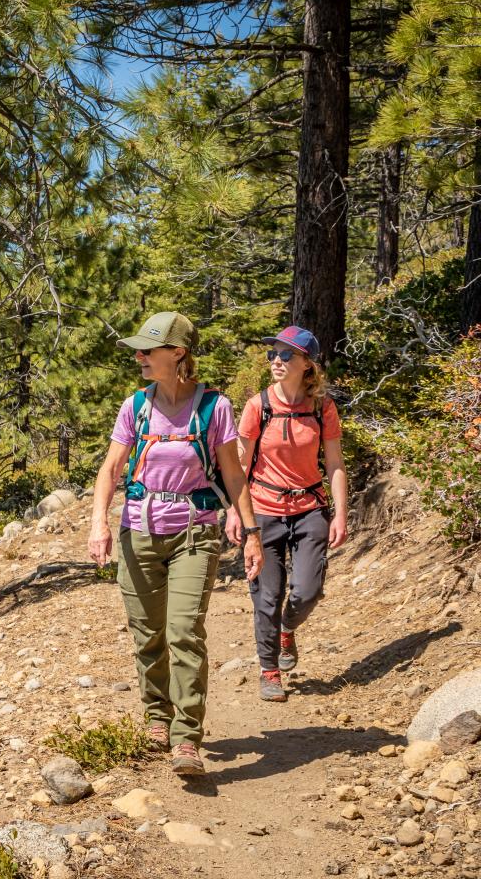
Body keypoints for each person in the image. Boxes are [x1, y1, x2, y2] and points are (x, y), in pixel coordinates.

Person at [89, 311, 264, 777]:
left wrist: (251, 533)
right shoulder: (135, 407)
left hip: (195, 530)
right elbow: (110, 470)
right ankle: (156, 716)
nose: (141, 357)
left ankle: (186, 738)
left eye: (149, 350)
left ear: (178, 352)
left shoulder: (214, 407)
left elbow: (231, 472)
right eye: (140, 350)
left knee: (183, 631)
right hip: (137, 532)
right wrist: (99, 524)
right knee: (148, 635)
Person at [226, 325, 347, 703]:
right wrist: (236, 514)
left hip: (310, 507)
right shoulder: (257, 406)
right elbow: (239, 465)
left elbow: (335, 463)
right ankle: (270, 670)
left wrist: (340, 513)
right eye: (272, 354)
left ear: (306, 365)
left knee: (308, 591)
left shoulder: (321, 407)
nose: (276, 361)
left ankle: (287, 628)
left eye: (285, 355)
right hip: (263, 510)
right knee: (267, 594)